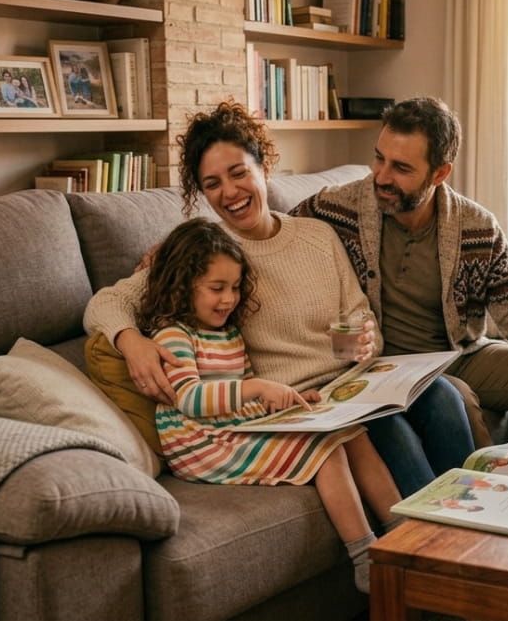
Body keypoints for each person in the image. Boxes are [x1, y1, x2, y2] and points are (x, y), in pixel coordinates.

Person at [83, 99, 475, 497]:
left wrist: (365, 340)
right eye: (212, 184)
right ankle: (431, 541)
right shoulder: (200, 255)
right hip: (294, 407)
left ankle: (475, 512)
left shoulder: (317, 235)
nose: (230, 192)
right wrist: (130, 342)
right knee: (391, 431)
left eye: (239, 174)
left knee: (443, 396)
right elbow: (104, 303)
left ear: (264, 169)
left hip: (351, 384)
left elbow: (359, 316)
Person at [291, 96, 508, 442]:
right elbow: (273, 236)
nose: (381, 177)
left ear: (440, 172)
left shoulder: (476, 227)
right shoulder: (336, 207)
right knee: (456, 398)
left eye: (401, 168)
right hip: (378, 365)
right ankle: (479, 489)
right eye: (379, 158)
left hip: (458, 355)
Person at [138, 216, 401, 594]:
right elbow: (190, 399)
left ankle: (400, 534)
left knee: (350, 433)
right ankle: (365, 556)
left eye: (234, 287)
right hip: (201, 445)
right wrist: (257, 388)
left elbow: (246, 394)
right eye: (216, 288)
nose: (228, 298)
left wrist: (292, 403)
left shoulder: (228, 333)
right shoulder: (173, 335)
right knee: (326, 450)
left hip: (232, 428)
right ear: (183, 284)